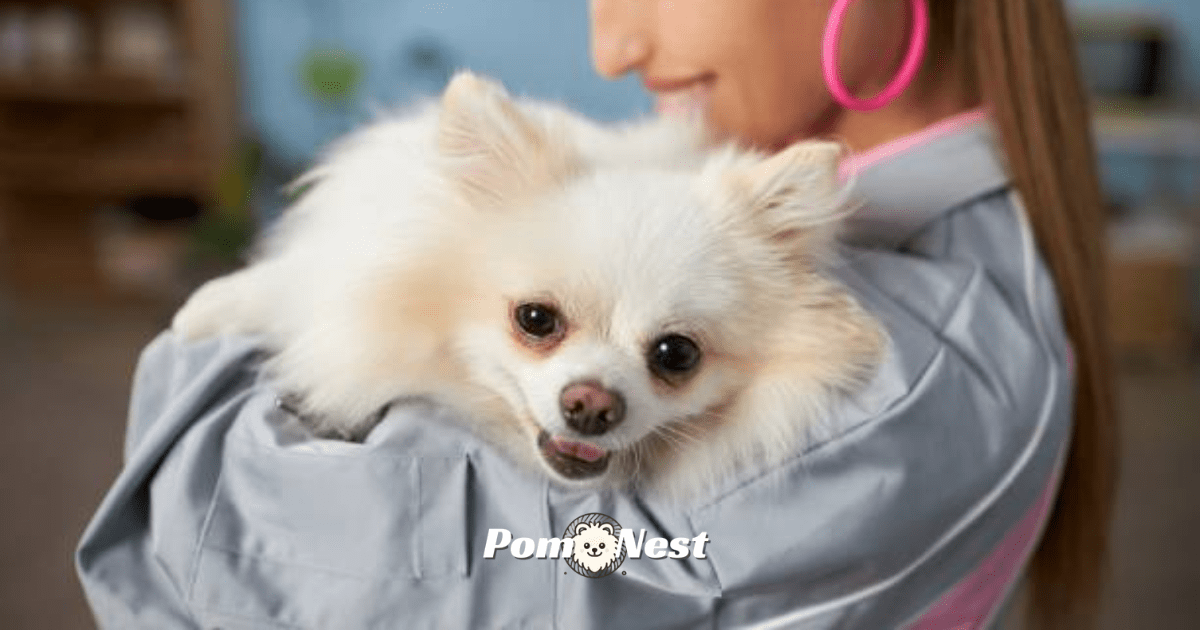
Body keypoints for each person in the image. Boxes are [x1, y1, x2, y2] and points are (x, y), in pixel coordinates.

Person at [77, 0, 1118, 628]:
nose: (615, 47)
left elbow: (241, 564)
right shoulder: (867, 254)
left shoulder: (895, 375)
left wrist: (200, 362)